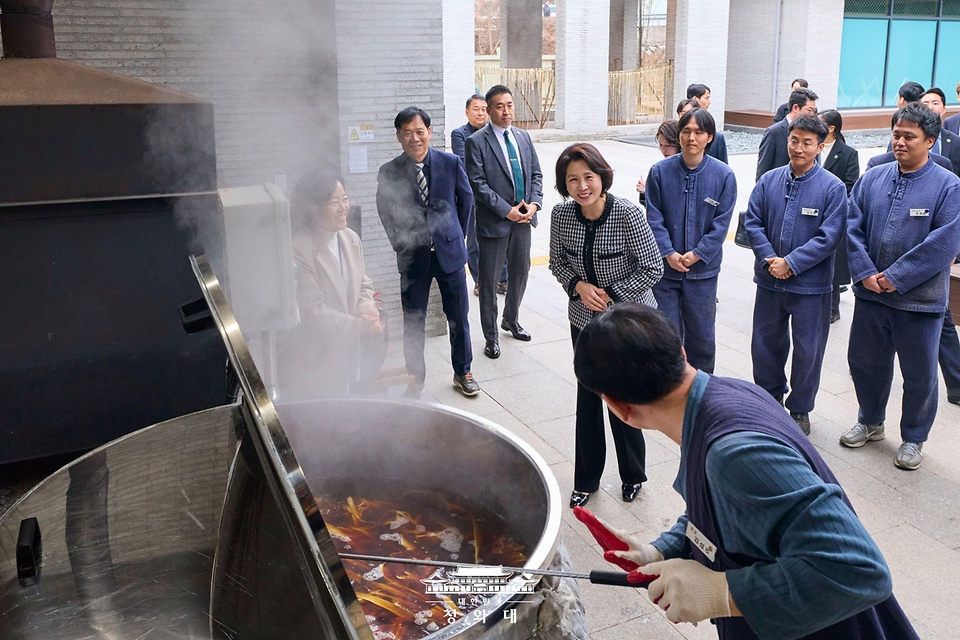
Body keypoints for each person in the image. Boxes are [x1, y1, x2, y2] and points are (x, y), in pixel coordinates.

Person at [570, 303, 919, 639]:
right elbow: (729, 513)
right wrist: (662, 551)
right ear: (681, 352)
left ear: (618, 408)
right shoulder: (721, 396)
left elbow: (860, 571)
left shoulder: (735, 453)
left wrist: (723, 592)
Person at [842, 103, 960, 470]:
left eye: (909, 136)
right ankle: (871, 420)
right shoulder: (873, 177)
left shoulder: (948, 185)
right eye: (896, 134)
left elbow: (945, 242)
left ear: (930, 140)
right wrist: (864, 272)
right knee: (865, 363)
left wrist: (896, 277)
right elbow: (851, 224)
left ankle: (914, 437)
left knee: (920, 374)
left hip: (919, 302)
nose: (900, 142)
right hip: (871, 295)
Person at [549, 143, 663, 508]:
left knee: (624, 398)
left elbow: (652, 268)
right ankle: (586, 480)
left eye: (589, 177)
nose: (583, 186)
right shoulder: (561, 216)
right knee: (588, 397)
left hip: (627, 322)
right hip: (583, 321)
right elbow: (557, 263)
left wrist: (610, 293)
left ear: (602, 177)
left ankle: (632, 475)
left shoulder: (628, 214)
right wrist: (577, 287)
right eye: (573, 180)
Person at [743, 116, 846, 436]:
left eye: (807, 142)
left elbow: (830, 237)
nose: (798, 148)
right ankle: (770, 397)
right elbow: (753, 222)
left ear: (820, 145)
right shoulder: (769, 180)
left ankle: (800, 409)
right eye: (793, 140)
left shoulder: (832, 187)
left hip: (810, 287)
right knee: (764, 343)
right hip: (769, 281)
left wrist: (792, 263)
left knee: (808, 349)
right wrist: (770, 258)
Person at [377, 107, 480, 399]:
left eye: (419, 132)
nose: (414, 138)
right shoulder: (390, 171)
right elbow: (385, 211)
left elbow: (466, 200)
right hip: (413, 258)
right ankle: (415, 378)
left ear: (429, 132)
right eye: (407, 133)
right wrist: (400, 242)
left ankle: (463, 372)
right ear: (398, 136)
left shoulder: (450, 163)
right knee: (413, 321)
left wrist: (453, 234)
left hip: (449, 255)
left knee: (459, 317)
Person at [645, 108, 737, 373]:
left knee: (702, 337)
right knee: (665, 335)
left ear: (710, 137)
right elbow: (654, 216)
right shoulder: (660, 172)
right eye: (686, 131)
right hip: (666, 272)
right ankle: (667, 390)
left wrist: (697, 254)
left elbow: (721, 223)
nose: (691, 138)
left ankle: (704, 392)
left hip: (703, 272)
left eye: (699, 132)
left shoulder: (723, 176)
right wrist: (668, 253)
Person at [278, 170, 382, 400]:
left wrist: (367, 313)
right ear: (313, 207)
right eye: (334, 202)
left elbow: (363, 284)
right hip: (316, 359)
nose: (343, 207)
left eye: (344, 199)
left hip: (349, 353)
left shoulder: (350, 238)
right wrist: (359, 326)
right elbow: (312, 311)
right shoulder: (299, 248)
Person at [464, 84, 544, 359]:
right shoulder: (476, 141)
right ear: (489, 109)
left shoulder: (522, 137)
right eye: (500, 106)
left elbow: (535, 174)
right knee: (489, 282)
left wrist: (533, 204)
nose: (506, 111)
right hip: (495, 222)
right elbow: (478, 184)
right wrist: (506, 210)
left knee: (520, 274)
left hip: (523, 219)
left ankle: (511, 319)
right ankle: (491, 336)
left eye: (509, 105)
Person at [451, 94, 507, 297]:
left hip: (496, 195)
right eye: (476, 109)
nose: (481, 113)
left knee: (501, 236)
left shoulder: (495, 132)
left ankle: (503, 278)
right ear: (467, 112)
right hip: (473, 195)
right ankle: (479, 281)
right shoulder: (459, 134)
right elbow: (465, 163)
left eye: (484, 109)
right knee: (474, 241)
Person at [818, 109, 860, 324]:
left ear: (831, 128)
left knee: (834, 264)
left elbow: (851, 186)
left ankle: (833, 309)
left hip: (834, 214)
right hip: (811, 215)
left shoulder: (848, 153)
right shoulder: (814, 148)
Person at [756, 87, 818, 180]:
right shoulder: (774, 132)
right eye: (809, 110)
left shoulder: (814, 133)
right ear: (795, 108)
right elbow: (763, 169)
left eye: (814, 111)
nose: (812, 115)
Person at [636, 119, 680, 206]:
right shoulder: (659, 170)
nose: (664, 150)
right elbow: (654, 210)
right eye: (660, 145)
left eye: (668, 145)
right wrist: (646, 192)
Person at [919, 88, 960, 175]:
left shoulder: (956, 142)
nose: (930, 107)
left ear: (944, 109)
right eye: (925, 103)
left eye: (935, 103)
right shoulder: (904, 139)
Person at [685, 84, 728, 164]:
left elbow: (724, 169)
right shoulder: (676, 133)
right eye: (706, 98)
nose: (709, 102)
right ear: (695, 99)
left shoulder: (717, 138)